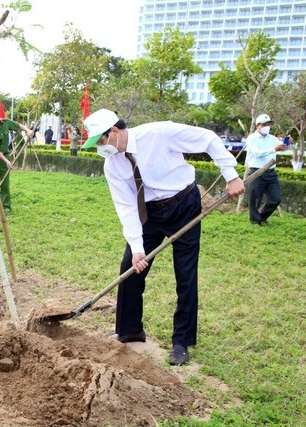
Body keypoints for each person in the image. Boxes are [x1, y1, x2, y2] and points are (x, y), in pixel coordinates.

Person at [82, 109, 244, 366]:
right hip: (150, 214)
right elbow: (126, 206)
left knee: (186, 274)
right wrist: (137, 248)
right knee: (130, 266)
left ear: (113, 131)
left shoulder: (159, 133)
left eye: (100, 141)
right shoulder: (112, 164)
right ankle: (130, 329)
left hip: (184, 205)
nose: (100, 147)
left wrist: (231, 175)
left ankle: (181, 341)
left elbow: (209, 139)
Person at [0, 104, 34, 214]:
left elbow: (19, 126)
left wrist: (28, 130)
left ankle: (6, 207)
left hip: (5, 155)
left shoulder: (6, 123)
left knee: (5, 182)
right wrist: (6, 161)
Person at [244, 114, 285, 226]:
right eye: (264, 124)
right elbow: (257, 153)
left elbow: (281, 148)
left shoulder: (272, 138)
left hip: (271, 172)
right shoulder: (251, 138)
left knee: (275, 199)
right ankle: (255, 222)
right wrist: (274, 149)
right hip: (256, 172)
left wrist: (286, 144)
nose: (267, 126)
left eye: (268, 124)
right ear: (258, 125)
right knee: (255, 199)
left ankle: (262, 216)